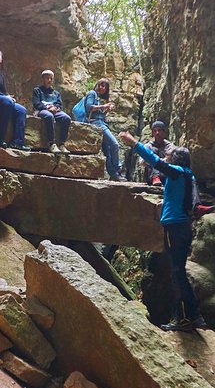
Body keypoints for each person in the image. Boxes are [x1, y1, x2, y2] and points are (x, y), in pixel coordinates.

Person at [119, 130, 207, 332]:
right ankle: (194, 316)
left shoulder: (177, 172)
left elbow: (155, 161)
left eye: (170, 155)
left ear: (176, 159)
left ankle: (185, 319)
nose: (166, 156)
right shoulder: (187, 175)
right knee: (179, 272)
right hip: (182, 226)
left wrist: (134, 143)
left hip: (175, 227)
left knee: (177, 274)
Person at [83, 79, 122, 180]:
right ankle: (118, 169)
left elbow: (97, 113)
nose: (102, 87)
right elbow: (89, 107)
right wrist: (103, 106)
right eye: (101, 85)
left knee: (107, 150)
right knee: (114, 144)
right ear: (97, 84)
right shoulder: (92, 93)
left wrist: (105, 109)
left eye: (105, 86)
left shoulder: (98, 97)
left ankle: (114, 175)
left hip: (100, 122)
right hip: (96, 123)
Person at [32, 69, 71, 152]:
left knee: (66, 118)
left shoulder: (56, 93)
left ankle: (61, 144)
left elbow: (59, 105)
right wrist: (48, 108)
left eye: (51, 78)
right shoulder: (37, 90)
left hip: (55, 111)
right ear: (43, 79)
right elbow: (36, 103)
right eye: (47, 78)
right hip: (42, 110)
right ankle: (51, 143)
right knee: (49, 116)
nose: (49, 80)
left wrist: (55, 108)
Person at [143, 120, 174, 185]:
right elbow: (141, 161)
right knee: (152, 153)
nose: (157, 133)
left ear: (164, 132)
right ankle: (155, 177)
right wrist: (152, 160)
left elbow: (172, 160)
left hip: (165, 174)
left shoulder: (170, 146)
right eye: (155, 131)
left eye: (159, 130)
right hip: (151, 176)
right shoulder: (148, 146)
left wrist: (158, 161)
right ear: (152, 133)